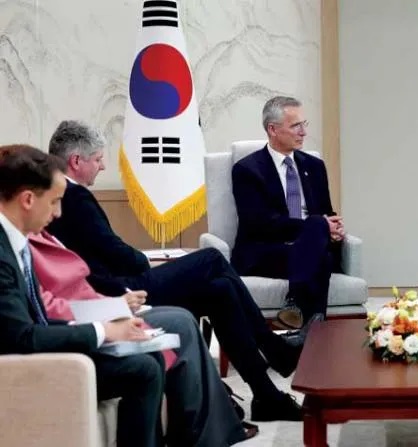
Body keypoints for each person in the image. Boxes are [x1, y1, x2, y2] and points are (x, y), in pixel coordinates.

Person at [45, 120, 309, 421]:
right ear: (76, 161)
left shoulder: (59, 195)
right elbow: (115, 251)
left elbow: (100, 251)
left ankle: (266, 395)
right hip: (120, 291)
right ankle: (274, 349)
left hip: (111, 283)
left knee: (221, 290)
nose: (102, 166)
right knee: (211, 258)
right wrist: (146, 261)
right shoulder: (73, 197)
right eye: (97, 159)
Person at [0, 144, 242, 447]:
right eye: (54, 202)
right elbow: (22, 336)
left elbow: (36, 314)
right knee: (145, 365)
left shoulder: (16, 242)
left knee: (154, 354)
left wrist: (108, 323)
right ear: (27, 200)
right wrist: (104, 330)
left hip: (56, 336)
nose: (58, 213)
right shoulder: (5, 252)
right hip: (30, 363)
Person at [231, 95, 342, 329]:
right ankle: (314, 332)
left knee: (320, 242)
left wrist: (334, 229)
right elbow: (259, 223)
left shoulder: (314, 166)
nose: (303, 132)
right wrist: (319, 226)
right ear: (272, 129)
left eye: (304, 124)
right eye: (295, 126)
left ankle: (295, 309)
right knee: (322, 256)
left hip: (310, 245)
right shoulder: (247, 170)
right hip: (268, 251)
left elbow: (326, 212)